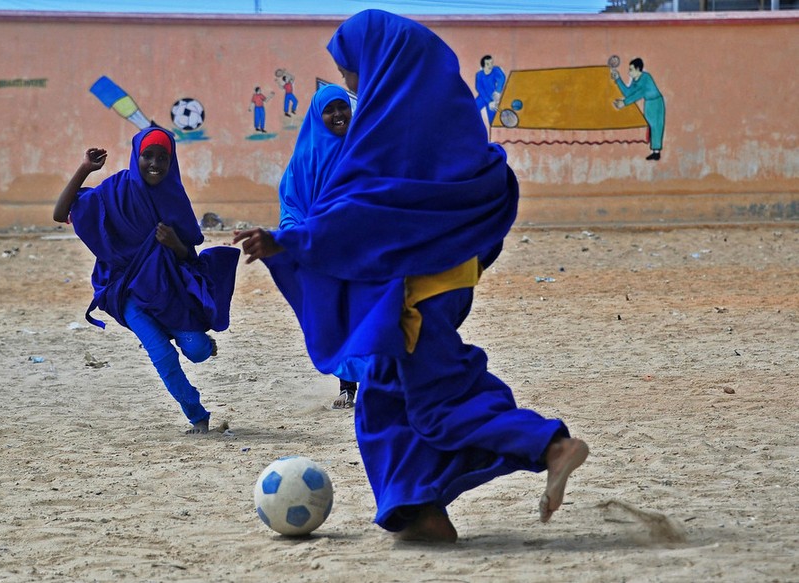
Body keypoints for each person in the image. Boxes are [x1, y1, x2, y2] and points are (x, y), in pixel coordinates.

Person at [234, 10, 588, 543]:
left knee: (439, 397)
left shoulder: (385, 137)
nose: (350, 83)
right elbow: (494, 192)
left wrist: (290, 241)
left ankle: (549, 445)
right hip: (445, 281)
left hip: (413, 294)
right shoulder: (451, 123)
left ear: (379, 63)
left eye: (351, 69)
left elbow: (365, 214)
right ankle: (419, 512)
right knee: (383, 396)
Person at [53, 127, 240, 434]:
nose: (155, 163)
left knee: (196, 350)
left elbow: (189, 256)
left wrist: (175, 244)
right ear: (135, 156)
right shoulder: (115, 190)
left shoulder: (173, 197)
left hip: (168, 289)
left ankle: (205, 344)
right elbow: (61, 213)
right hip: (127, 291)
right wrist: (85, 169)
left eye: (163, 158)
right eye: (148, 156)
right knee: (163, 354)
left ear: (172, 162)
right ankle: (197, 416)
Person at [278, 83, 358, 409]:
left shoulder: (363, 148)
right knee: (336, 317)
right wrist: (297, 237)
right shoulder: (303, 161)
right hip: (324, 252)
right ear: (317, 115)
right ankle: (348, 387)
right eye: (330, 110)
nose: (338, 115)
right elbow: (291, 206)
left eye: (343, 107)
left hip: (364, 246)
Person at [612, 57, 665, 161]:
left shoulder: (646, 77)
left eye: (631, 70)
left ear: (638, 69)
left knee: (656, 126)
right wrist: (618, 79)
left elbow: (640, 93)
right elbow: (628, 93)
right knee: (650, 125)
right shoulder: (635, 81)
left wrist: (624, 103)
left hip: (656, 102)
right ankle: (655, 151)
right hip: (649, 103)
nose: (629, 72)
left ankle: (656, 152)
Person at [475, 54, 506, 127]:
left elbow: (502, 78)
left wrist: (498, 91)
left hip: (493, 97)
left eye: (491, 63)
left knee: (493, 121)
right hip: (483, 97)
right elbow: (479, 88)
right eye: (488, 64)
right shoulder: (479, 74)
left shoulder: (496, 70)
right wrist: (489, 101)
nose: (490, 65)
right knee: (473, 110)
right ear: (483, 65)